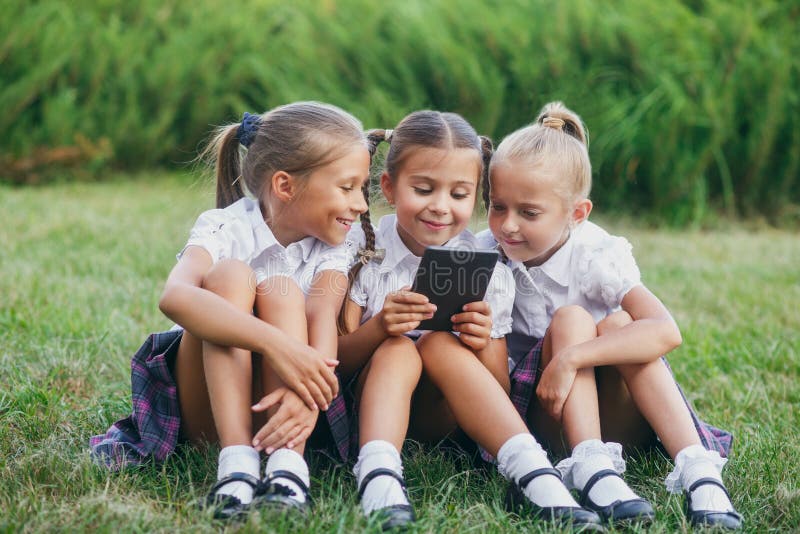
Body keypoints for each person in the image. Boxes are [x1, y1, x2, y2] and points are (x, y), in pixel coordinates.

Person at [91, 101, 370, 519]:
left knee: (281, 289)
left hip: (286, 414)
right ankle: (236, 466)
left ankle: (287, 469)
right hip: (210, 413)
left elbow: (323, 315)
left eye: (362, 188)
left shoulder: (336, 245)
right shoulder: (224, 227)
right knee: (231, 276)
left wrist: (309, 393)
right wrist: (276, 345)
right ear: (285, 185)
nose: (362, 204)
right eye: (347, 188)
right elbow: (175, 296)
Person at [334, 110, 603, 530]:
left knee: (439, 344)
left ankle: (532, 472)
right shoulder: (364, 251)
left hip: (451, 422)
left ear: (477, 195)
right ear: (388, 187)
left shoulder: (484, 265)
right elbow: (336, 365)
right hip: (373, 410)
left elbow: (498, 389)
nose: (440, 207)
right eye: (424, 189)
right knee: (399, 348)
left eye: (459, 195)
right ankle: (378, 475)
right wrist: (379, 327)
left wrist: (482, 341)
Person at [479, 101, 743, 529]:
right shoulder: (485, 254)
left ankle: (700, 471)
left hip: (618, 417)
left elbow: (665, 331)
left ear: (577, 214)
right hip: (548, 417)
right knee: (571, 321)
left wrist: (572, 358)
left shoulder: (595, 253)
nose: (507, 225)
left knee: (618, 322)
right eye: (496, 206)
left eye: (528, 213)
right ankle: (589, 466)